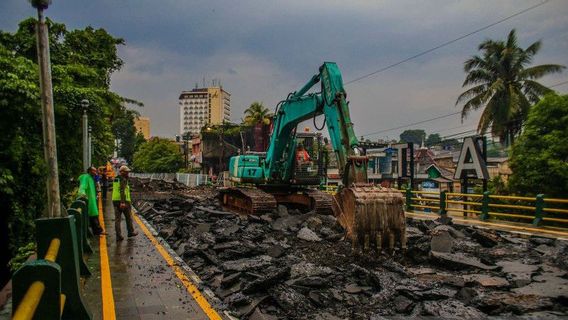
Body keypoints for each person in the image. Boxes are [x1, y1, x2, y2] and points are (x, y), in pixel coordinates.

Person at [112, 165, 137, 241]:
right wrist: (123, 202)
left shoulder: (116, 179)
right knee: (128, 217)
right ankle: (130, 232)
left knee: (117, 219)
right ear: (122, 172)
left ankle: (118, 236)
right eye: (126, 172)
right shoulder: (123, 179)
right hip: (124, 201)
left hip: (115, 200)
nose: (128, 173)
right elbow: (122, 190)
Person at [78, 167, 105, 235]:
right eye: (94, 171)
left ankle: (97, 231)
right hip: (88, 199)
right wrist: (82, 194)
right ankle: (98, 231)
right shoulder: (86, 177)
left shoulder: (90, 177)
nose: (96, 172)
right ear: (90, 171)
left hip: (91, 199)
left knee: (93, 215)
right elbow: (82, 187)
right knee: (93, 216)